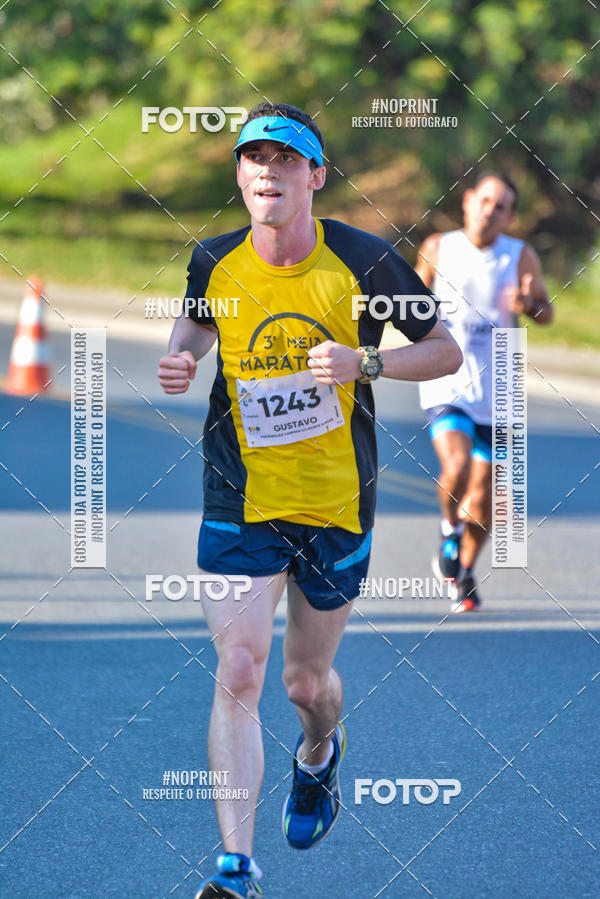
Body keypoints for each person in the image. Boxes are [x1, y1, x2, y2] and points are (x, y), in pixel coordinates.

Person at [158, 101, 462, 899]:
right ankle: (233, 869)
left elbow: (443, 349)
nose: (269, 172)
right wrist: (182, 357)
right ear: (239, 176)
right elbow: (197, 322)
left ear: (316, 176)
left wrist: (364, 362)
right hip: (239, 496)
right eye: (255, 159)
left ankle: (320, 755)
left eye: (287, 160)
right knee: (238, 667)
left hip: (334, 503)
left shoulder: (363, 260)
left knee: (303, 685)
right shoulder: (214, 261)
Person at [415, 172, 553, 613]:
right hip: (448, 373)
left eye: (501, 206)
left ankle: (465, 571)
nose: (489, 211)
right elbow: (412, 299)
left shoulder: (520, 255)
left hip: (500, 381)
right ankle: (448, 530)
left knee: (489, 493)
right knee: (456, 465)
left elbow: (547, 312)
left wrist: (530, 305)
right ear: (468, 200)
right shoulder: (439, 246)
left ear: (510, 216)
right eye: (485, 200)